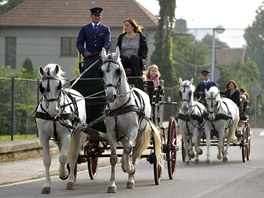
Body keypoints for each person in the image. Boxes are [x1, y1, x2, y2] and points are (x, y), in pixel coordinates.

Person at [76, 7, 111, 78]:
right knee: (87, 71)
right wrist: (84, 52)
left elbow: (108, 42)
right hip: (89, 56)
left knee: (105, 71)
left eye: (99, 15)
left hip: (101, 56)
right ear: (91, 16)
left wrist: (103, 52)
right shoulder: (84, 28)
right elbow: (79, 43)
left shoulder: (105, 29)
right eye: (95, 15)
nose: (97, 17)